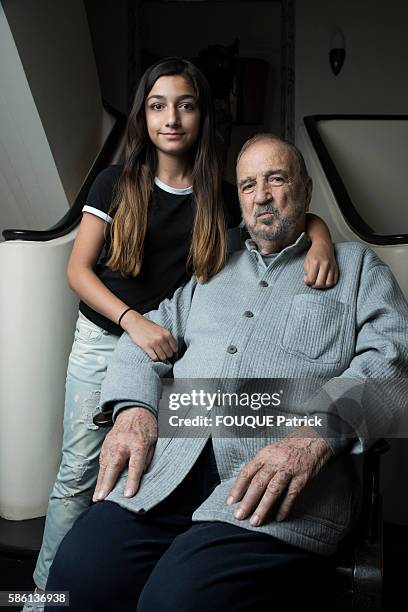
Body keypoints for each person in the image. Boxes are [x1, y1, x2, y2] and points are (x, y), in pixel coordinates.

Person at [44, 134, 408, 611]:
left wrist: (313, 436)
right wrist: (134, 410)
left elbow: (392, 363)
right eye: (248, 185)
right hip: (166, 474)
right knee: (72, 579)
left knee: (175, 602)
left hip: (270, 492)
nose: (262, 195)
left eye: (276, 179)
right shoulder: (209, 271)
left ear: (305, 187)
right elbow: (146, 341)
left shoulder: (360, 270)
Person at [26, 58, 337, 610]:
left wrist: (320, 236)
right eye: (157, 105)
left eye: (186, 105)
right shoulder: (118, 183)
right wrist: (134, 356)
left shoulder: (223, 197)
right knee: (81, 472)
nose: (171, 118)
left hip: (178, 356)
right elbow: (78, 271)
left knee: (162, 494)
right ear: (143, 115)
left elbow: (278, 214)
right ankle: (41, 595)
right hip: (113, 338)